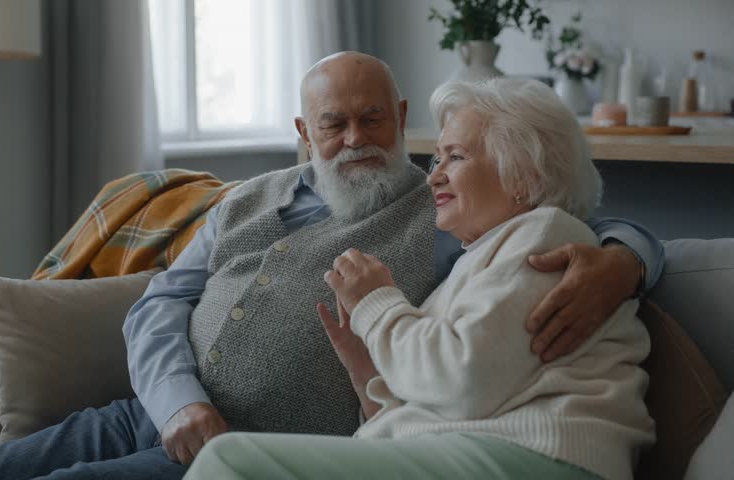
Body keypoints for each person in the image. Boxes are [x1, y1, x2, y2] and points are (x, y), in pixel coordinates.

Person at [0, 53, 662, 480]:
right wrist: (176, 399)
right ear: (302, 133)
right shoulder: (245, 201)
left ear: (400, 114)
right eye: (333, 124)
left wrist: (622, 263)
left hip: (251, 448)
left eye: (373, 118)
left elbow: (563, 209)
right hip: (154, 411)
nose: (354, 140)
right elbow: (160, 304)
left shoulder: (446, 209)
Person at [182, 77, 656, 480]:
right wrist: (366, 371)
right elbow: (446, 397)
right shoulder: (483, 255)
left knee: (229, 460)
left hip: (542, 455)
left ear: (524, 177)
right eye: (437, 160)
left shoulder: (543, 235)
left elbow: (463, 382)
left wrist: (378, 304)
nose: (434, 178)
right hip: (482, 448)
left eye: (456, 158)